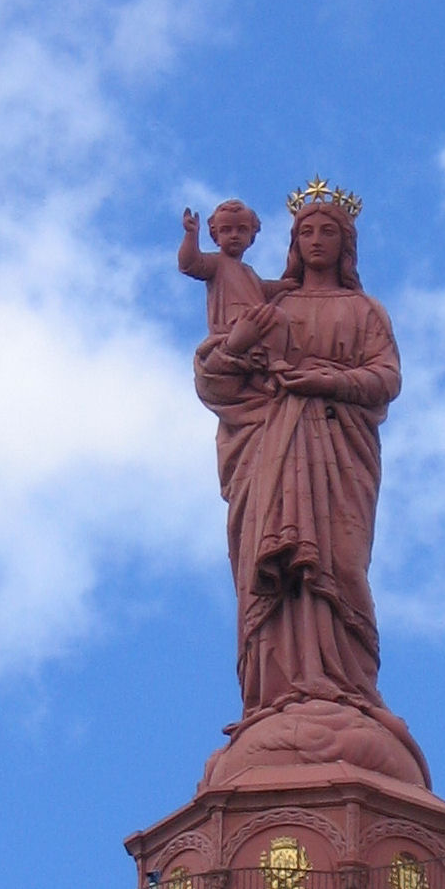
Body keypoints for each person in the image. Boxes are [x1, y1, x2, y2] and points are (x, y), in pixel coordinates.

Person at [193, 187, 430, 790]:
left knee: (337, 562)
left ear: (345, 243)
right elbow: (216, 375)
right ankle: (278, 692)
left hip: (337, 449)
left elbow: (386, 378)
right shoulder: (271, 304)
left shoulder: (365, 311)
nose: (316, 241)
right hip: (270, 450)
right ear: (293, 243)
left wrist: (329, 378)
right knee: (275, 568)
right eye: (306, 233)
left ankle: (346, 686)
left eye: (327, 232)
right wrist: (241, 346)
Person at [178, 200, 295, 369]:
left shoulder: (248, 271)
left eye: (241, 230)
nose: (234, 235)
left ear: (251, 237)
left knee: (279, 317)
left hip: (257, 320)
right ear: (215, 236)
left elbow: (264, 289)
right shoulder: (216, 263)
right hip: (233, 325)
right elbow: (190, 263)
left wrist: (287, 285)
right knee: (275, 315)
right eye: (226, 230)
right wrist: (191, 234)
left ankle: (275, 360)